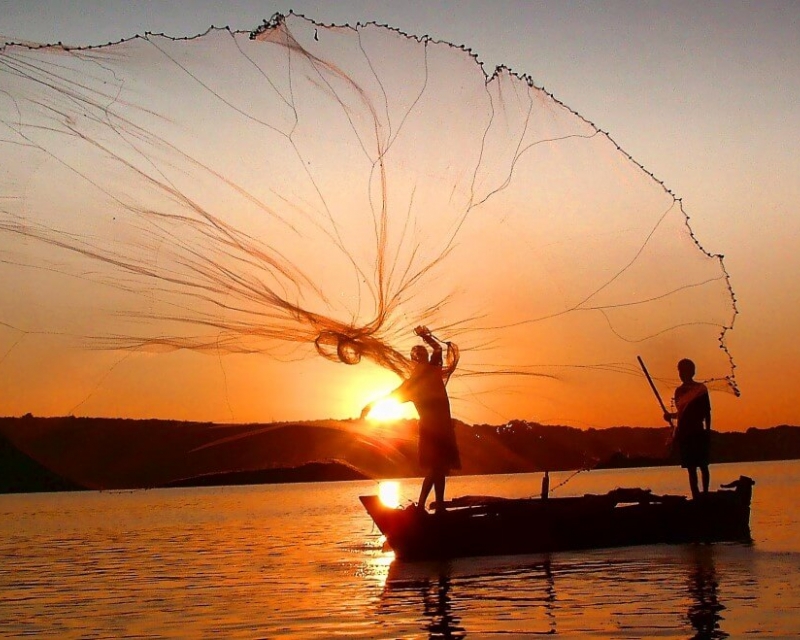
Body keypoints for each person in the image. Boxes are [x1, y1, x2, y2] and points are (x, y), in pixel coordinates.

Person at [361, 326, 460, 513]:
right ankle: (423, 505)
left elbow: (437, 350)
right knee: (436, 469)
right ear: (415, 361)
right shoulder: (413, 384)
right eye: (419, 357)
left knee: (441, 469)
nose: (423, 359)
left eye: (423, 356)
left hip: (444, 427)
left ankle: (438, 506)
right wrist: (370, 406)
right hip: (431, 430)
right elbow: (390, 397)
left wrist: (426, 337)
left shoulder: (433, 370)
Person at [663, 358, 712, 499]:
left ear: (691, 371)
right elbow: (681, 413)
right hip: (685, 434)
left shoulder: (701, 389)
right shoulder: (679, 391)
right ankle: (696, 495)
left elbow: (707, 411)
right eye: (679, 371)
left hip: (698, 431)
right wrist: (670, 417)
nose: (680, 373)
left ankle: (706, 493)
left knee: (703, 465)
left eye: (683, 370)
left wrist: (707, 431)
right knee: (691, 468)